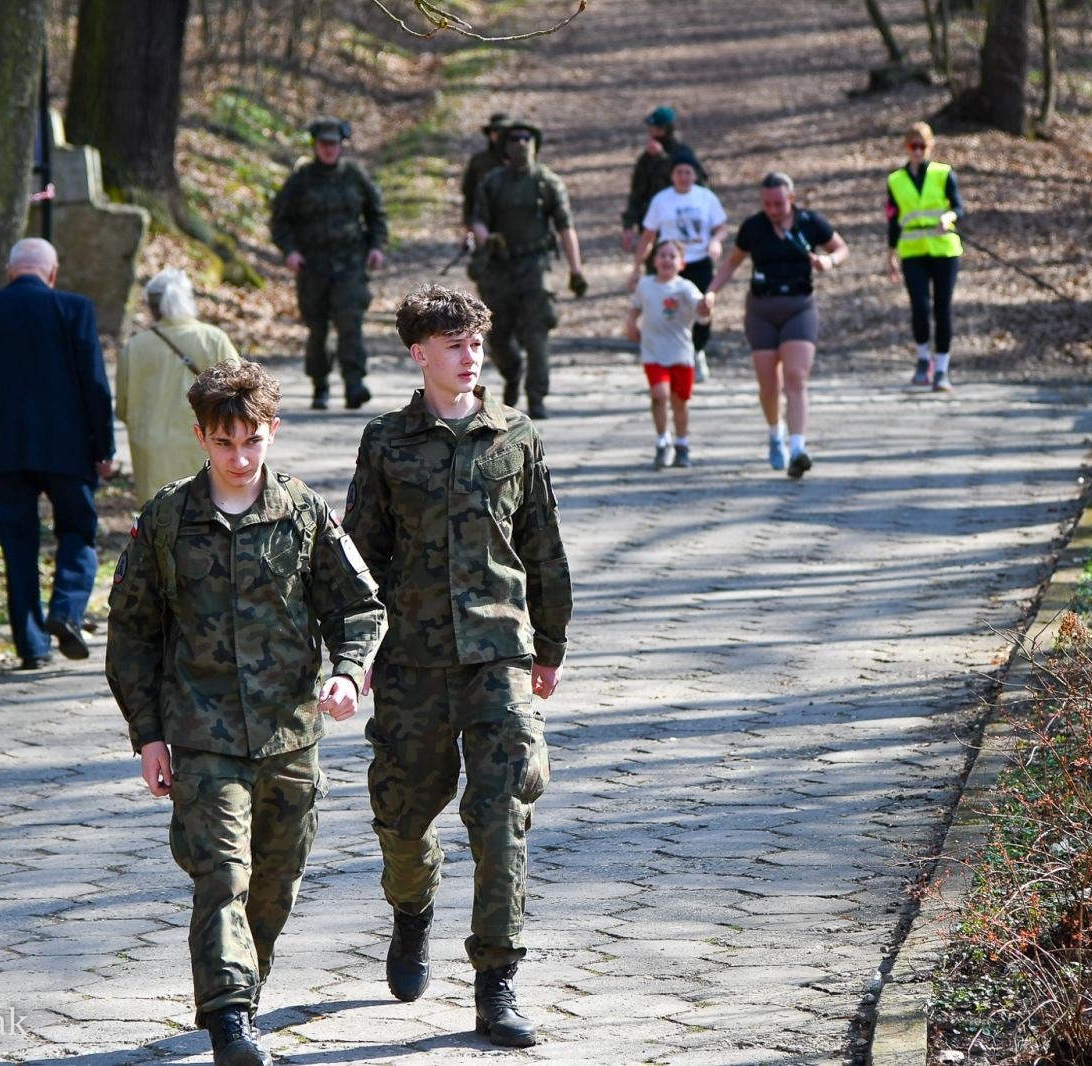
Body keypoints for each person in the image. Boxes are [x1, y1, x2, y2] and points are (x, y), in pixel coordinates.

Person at [105, 360, 385, 1066]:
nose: (240, 458)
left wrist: (349, 675)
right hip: (201, 735)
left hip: (290, 734)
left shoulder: (303, 512)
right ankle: (228, 1019)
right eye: (225, 443)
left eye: (252, 441)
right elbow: (132, 633)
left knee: (275, 881)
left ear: (271, 433)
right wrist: (149, 736)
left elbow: (359, 606)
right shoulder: (167, 519)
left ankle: (243, 985)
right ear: (201, 437)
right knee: (222, 874)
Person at [343, 284, 571, 1049]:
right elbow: (360, 558)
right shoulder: (386, 442)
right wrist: (356, 652)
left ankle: (495, 981)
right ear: (420, 353)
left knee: (503, 808)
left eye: (477, 344)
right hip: (411, 659)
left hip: (499, 654)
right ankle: (412, 910)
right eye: (454, 346)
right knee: (402, 818)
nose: (471, 359)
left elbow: (543, 546)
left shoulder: (515, 437)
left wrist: (551, 646)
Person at [0, 237, 116, 669]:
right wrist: (104, 446)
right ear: (53, 272)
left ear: (9, 271)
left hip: (5, 449)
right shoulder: (75, 309)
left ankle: (31, 646)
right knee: (78, 532)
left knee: (18, 546)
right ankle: (65, 610)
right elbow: (95, 384)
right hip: (70, 448)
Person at [706, 172, 848, 479]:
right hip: (761, 309)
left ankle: (798, 449)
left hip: (800, 306)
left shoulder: (810, 222)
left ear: (792, 199)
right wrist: (711, 292)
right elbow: (732, 263)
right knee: (769, 383)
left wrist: (829, 262)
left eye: (779, 203)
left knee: (796, 376)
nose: (773, 209)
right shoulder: (753, 227)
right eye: (767, 203)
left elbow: (841, 248)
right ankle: (775, 434)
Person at [470, 119, 587, 419]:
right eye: (514, 139)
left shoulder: (548, 182)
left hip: (535, 267)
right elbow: (478, 220)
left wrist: (576, 270)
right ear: (504, 148)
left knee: (537, 334)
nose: (521, 143)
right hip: (499, 267)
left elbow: (565, 226)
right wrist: (487, 238)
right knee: (496, 333)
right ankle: (511, 374)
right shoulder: (493, 182)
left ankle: (536, 397)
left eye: (527, 138)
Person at [270, 116, 388, 411]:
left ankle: (354, 384)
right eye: (323, 144)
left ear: (341, 145)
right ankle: (320, 386)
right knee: (318, 329)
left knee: (351, 324)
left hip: (350, 264)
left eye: (334, 144)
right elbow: (280, 220)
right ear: (315, 145)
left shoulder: (354, 175)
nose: (329, 149)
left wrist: (376, 247)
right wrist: (290, 252)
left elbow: (376, 213)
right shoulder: (301, 179)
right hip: (313, 267)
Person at [116, 268, 241, 500]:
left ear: (152, 307)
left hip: (151, 449)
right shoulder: (214, 339)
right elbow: (240, 394)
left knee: (159, 520)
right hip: (207, 443)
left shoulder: (135, 347)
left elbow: (122, 406)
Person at [628, 146, 726, 382]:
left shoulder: (706, 197)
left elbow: (722, 227)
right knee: (667, 310)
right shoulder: (661, 200)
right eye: (679, 172)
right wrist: (637, 267)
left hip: (699, 260)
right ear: (672, 175)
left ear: (695, 175)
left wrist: (715, 241)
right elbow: (649, 235)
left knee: (701, 306)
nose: (683, 177)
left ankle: (697, 350)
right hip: (668, 262)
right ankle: (664, 360)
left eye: (688, 172)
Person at [886, 121, 964, 392]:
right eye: (912, 146)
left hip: (944, 249)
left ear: (930, 146)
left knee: (942, 309)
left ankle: (942, 369)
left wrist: (948, 216)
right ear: (906, 148)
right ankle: (922, 360)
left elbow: (959, 207)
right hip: (912, 250)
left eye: (922, 146)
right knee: (919, 307)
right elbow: (893, 219)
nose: (917, 151)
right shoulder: (895, 180)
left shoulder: (943, 174)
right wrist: (890, 254)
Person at [627, 240, 710, 469]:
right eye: (662, 255)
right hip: (653, 351)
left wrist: (706, 305)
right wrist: (631, 322)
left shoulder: (685, 288)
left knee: (680, 402)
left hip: (681, 353)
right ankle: (662, 441)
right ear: (654, 261)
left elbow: (701, 310)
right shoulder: (645, 285)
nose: (666, 260)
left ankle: (682, 444)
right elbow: (635, 306)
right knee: (659, 395)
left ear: (681, 263)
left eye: (672, 256)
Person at [618, 105, 707, 254]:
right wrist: (628, 226)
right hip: (654, 229)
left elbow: (698, 186)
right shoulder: (646, 159)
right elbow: (637, 194)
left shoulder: (684, 154)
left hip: (685, 229)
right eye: (651, 129)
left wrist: (662, 158)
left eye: (657, 129)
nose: (652, 133)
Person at [461, 112, 512, 238]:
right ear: (490, 134)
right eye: (495, 130)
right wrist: (468, 229)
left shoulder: (522, 162)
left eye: (504, 131)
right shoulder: (479, 161)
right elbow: (469, 194)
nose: (499, 134)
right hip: (485, 223)